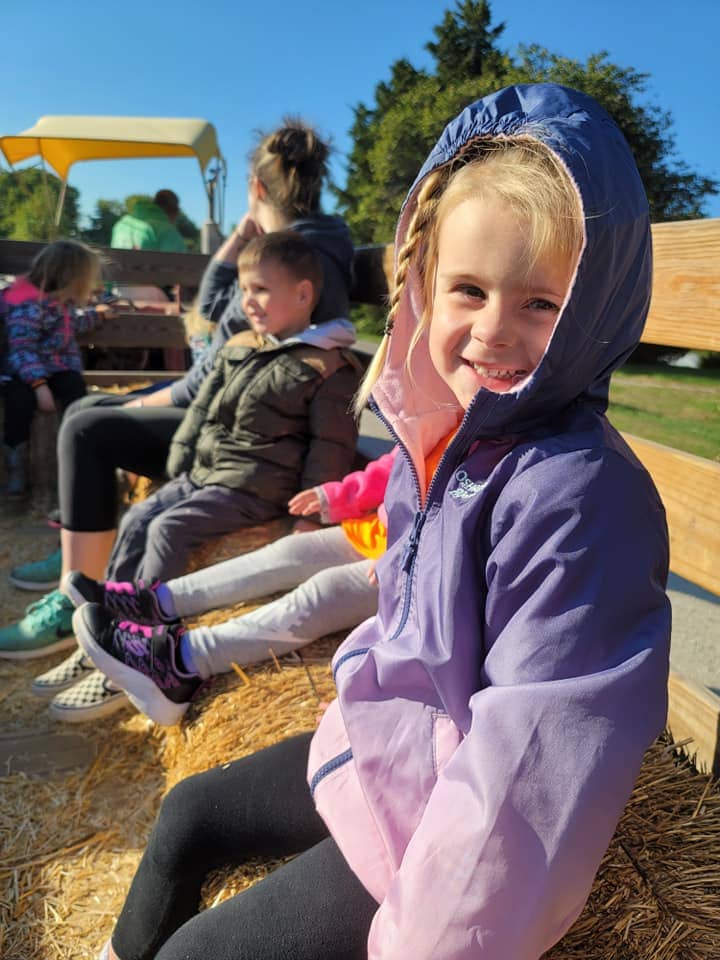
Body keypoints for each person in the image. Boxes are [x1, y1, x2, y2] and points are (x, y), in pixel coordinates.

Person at [72, 83, 672, 960]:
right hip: (385, 745)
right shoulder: (442, 437)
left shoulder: (580, 501)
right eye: (469, 290)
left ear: (594, 312)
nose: (493, 331)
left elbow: (528, 784)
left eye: (541, 303)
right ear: (424, 287)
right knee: (187, 813)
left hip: (440, 822)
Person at [4, 120, 355, 612]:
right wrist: (238, 237)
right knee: (89, 411)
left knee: (88, 427)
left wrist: (142, 400)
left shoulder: (291, 262)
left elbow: (211, 355)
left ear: (256, 188)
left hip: (248, 443)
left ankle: (78, 589)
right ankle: (87, 561)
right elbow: (215, 309)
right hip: (231, 416)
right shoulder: (304, 250)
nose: (249, 297)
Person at [0, 230, 361, 671]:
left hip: (254, 487)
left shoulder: (327, 366)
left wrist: (310, 518)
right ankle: (107, 621)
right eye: (245, 290)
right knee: (136, 517)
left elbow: (331, 447)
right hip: (209, 473)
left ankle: (146, 642)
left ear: (304, 294)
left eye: (261, 290)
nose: (249, 301)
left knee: (168, 529)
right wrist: (179, 465)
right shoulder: (243, 346)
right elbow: (202, 412)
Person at [44, 448, 396, 724]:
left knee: (326, 592)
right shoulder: (442, 416)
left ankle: (181, 663)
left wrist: (411, 549)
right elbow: (398, 464)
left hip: (418, 565)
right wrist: (338, 494)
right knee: (286, 552)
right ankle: (158, 602)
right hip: (376, 533)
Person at [1, 240, 111, 498]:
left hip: (59, 368)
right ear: (71, 276)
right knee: (18, 402)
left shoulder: (62, 303)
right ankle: (16, 472)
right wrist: (39, 386)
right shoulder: (27, 305)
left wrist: (100, 315)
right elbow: (22, 349)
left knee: (75, 391)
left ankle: (79, 453)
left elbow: (73, 324)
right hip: (23, 370)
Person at [110, 189, 186, 254]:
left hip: (114, 270)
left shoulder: (121, 224)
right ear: (175, 212)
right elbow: (178, 267)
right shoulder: (169, 232)